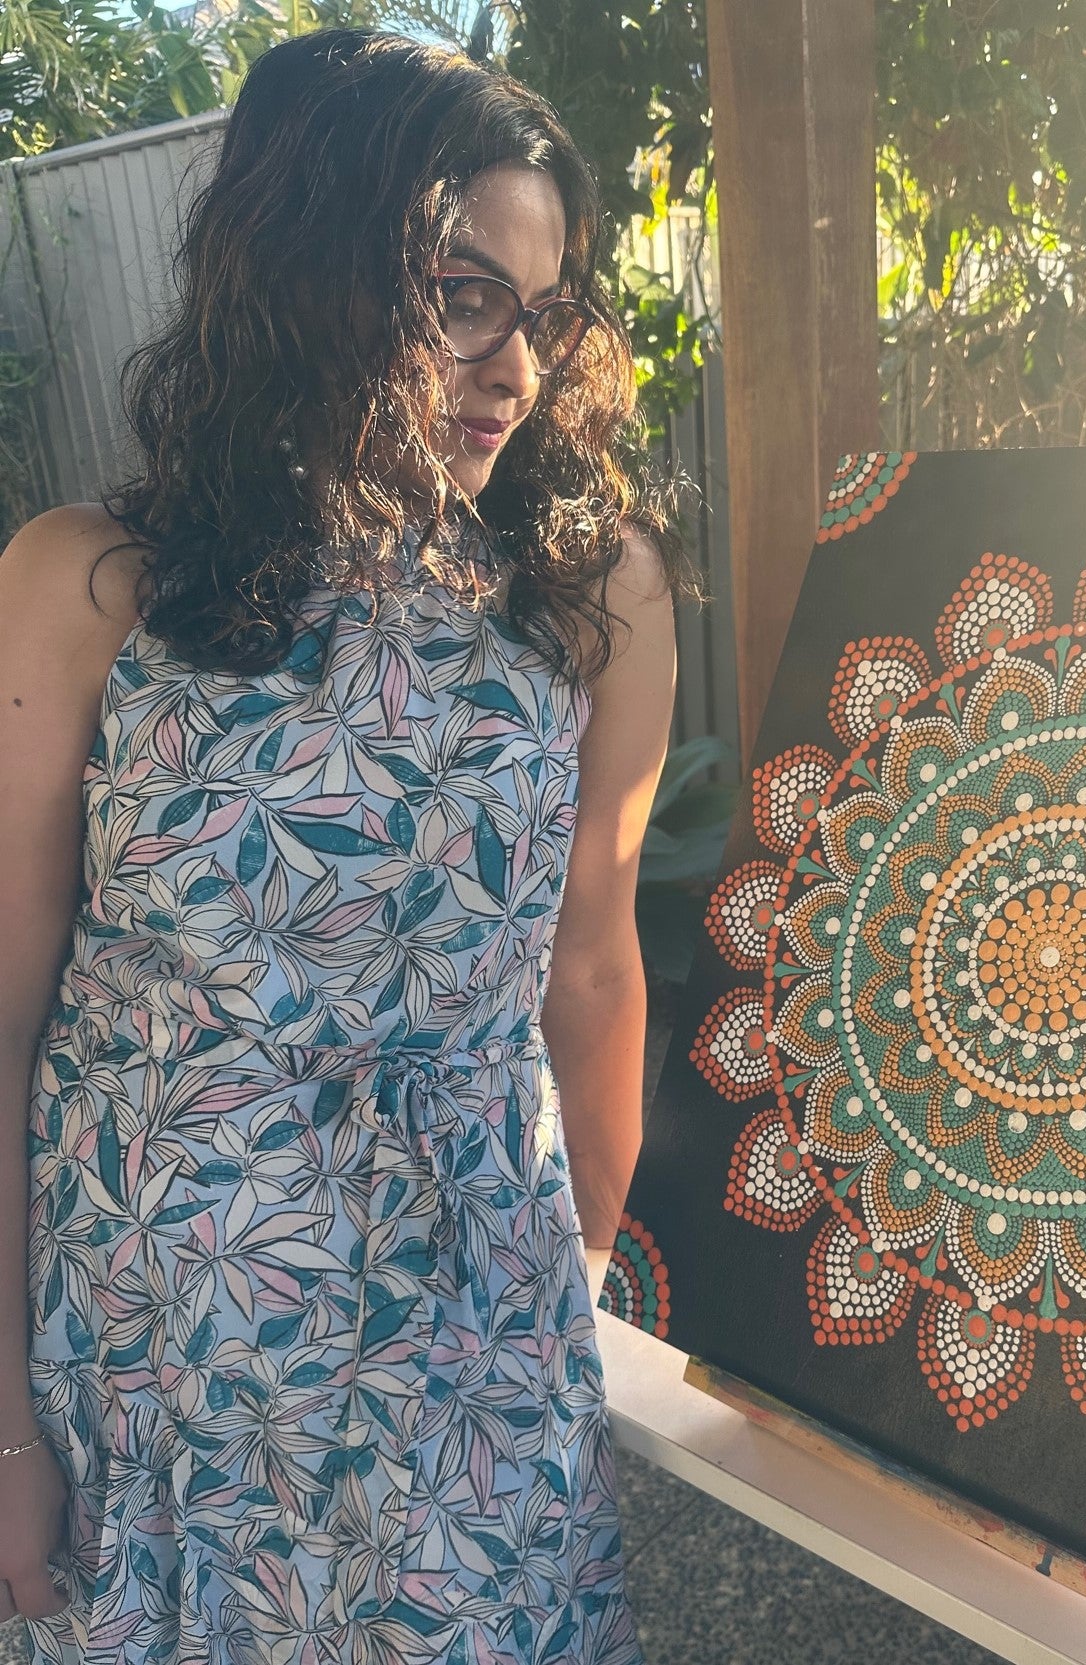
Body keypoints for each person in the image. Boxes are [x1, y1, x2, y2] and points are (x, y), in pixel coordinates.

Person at [0, 29, 679, 1664]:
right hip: (157, 1400)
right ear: (304, 269)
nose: (515, 365)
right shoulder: (94, 588)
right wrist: (5, 1428)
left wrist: (567, 1287)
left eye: (547, 308)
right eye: (461, 291)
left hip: (468, 1373)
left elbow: (592, 964)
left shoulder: (592, 602)